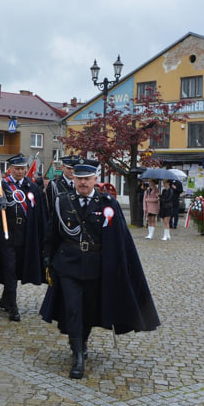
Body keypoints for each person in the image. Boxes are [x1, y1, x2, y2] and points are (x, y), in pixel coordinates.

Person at [40, 162, 160, 379]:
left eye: (87, 179)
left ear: (95, 179)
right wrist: (47, 258)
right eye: (79, 179)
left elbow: (119, 239)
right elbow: (52, 233)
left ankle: (82, 340)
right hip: (68, 264)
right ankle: (77, 355)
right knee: (73, 308)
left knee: (88, 308)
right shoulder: (63, 201)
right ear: (74, 180)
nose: (83, 183)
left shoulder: (107, 203)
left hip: (95, 266)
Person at [0, 153, 46, 322]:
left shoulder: (32, 187)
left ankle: (5, 299)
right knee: (10, 269)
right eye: (17, 169)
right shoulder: (2, 185)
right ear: (10, 169)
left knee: (18, 269)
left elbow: (39, 211)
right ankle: (13, 307)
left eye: (22, 169)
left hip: (25, 236)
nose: (20, 172)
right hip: (6, 234)